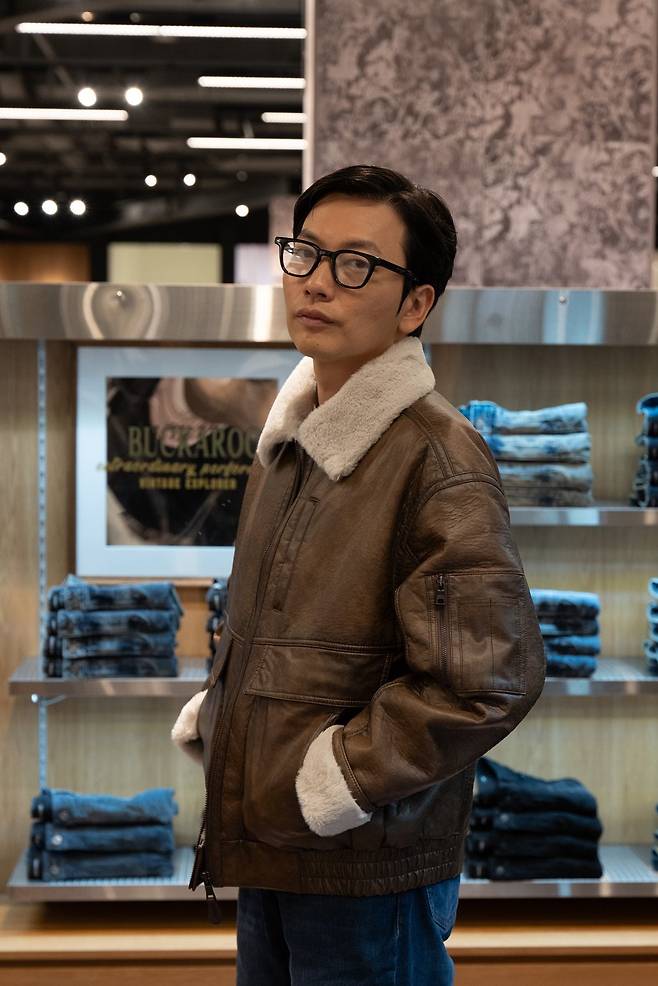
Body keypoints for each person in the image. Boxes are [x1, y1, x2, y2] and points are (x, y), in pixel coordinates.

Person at [171, 164, 546, 985]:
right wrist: (233, 713)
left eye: (356, 265)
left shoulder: (436, 457)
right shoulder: (291, 442)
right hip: (274, 841)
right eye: (306, 253)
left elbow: (488, 680)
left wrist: (338, 776)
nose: (316, 282)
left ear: (416, 304)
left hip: (365, 862)